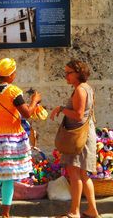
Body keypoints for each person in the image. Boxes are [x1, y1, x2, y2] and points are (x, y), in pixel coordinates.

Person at [0, 58, 41, 218]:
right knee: (9, 176)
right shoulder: (13, 91)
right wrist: (35, 101)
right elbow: (27, 113)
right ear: (9, 74)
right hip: (10, 138)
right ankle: (5, 214)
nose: (15, 75)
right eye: (14, 72)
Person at [50, 60, 100, 218]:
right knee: (84, 175)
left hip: (78, 137)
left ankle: (74, 212)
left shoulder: (79, 90)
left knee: (74, 173)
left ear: (78, 73)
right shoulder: (87, 88)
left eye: (68, 72)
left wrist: (61, 109)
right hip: (85, 135)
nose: (66, 76)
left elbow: (78, 115)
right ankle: (92, 211)